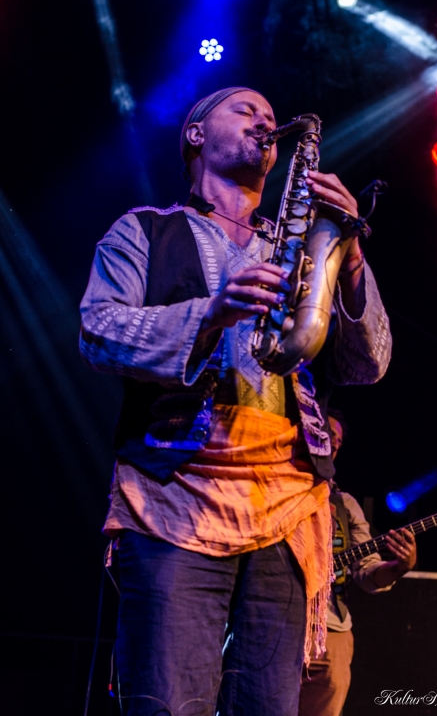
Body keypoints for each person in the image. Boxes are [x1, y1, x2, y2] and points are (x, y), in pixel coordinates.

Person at [79, 87, 392, 716]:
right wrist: (209, 314)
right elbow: (98, 330)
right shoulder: (142, 229)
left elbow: (367, 364)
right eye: (244, 110)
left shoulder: (297, 247)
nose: (265, 121)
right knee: (169, 704)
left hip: (287, 507)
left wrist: (351, 254)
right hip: (174, 496)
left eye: (270, 116)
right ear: (195, 134)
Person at [298, 410, 417, 716]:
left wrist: (399, 567)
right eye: (328, 433)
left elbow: (366, 571)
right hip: (278, 623)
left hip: (331, 633)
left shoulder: (344, 504)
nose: (334, 442)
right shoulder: (272, 490)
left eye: (338, 440)